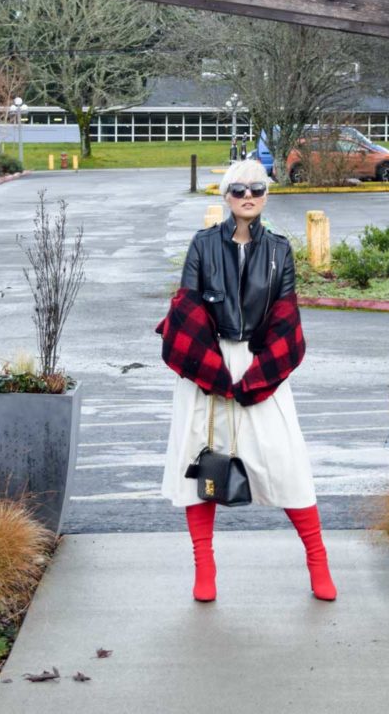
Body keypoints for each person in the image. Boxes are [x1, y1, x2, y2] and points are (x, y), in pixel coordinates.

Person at [156, 159, 336, 603]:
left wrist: (258, 377)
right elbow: (187, 310)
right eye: (238, 189)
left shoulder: (279, 249)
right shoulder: (202, 245)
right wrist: (213, 373)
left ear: (266, 194)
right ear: (226, 196)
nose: (248, 196)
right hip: (209, 365)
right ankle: (204, 566)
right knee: (201, 463)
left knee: (285, 459)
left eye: (256, 188)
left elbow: (285, 316)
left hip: (258, 365)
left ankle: (317, 560)